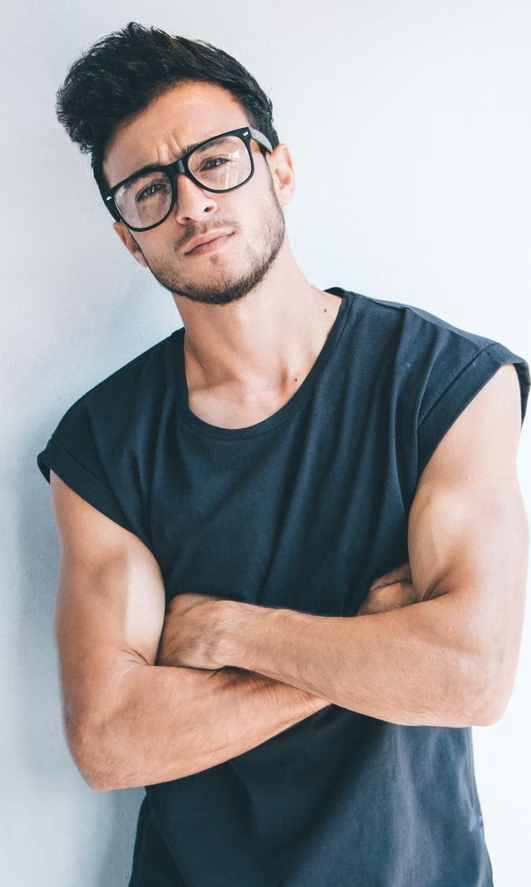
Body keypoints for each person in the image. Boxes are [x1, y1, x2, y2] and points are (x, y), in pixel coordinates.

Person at [37, 22, 529, 887]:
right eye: (149, 188)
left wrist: (232, 632)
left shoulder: (445, 383)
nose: (190, 203)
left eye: (213, 161)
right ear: (129, 237)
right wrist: (370, 648)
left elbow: (468, 675)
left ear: (280, 169)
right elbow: (111, 741)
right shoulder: (102, 445)